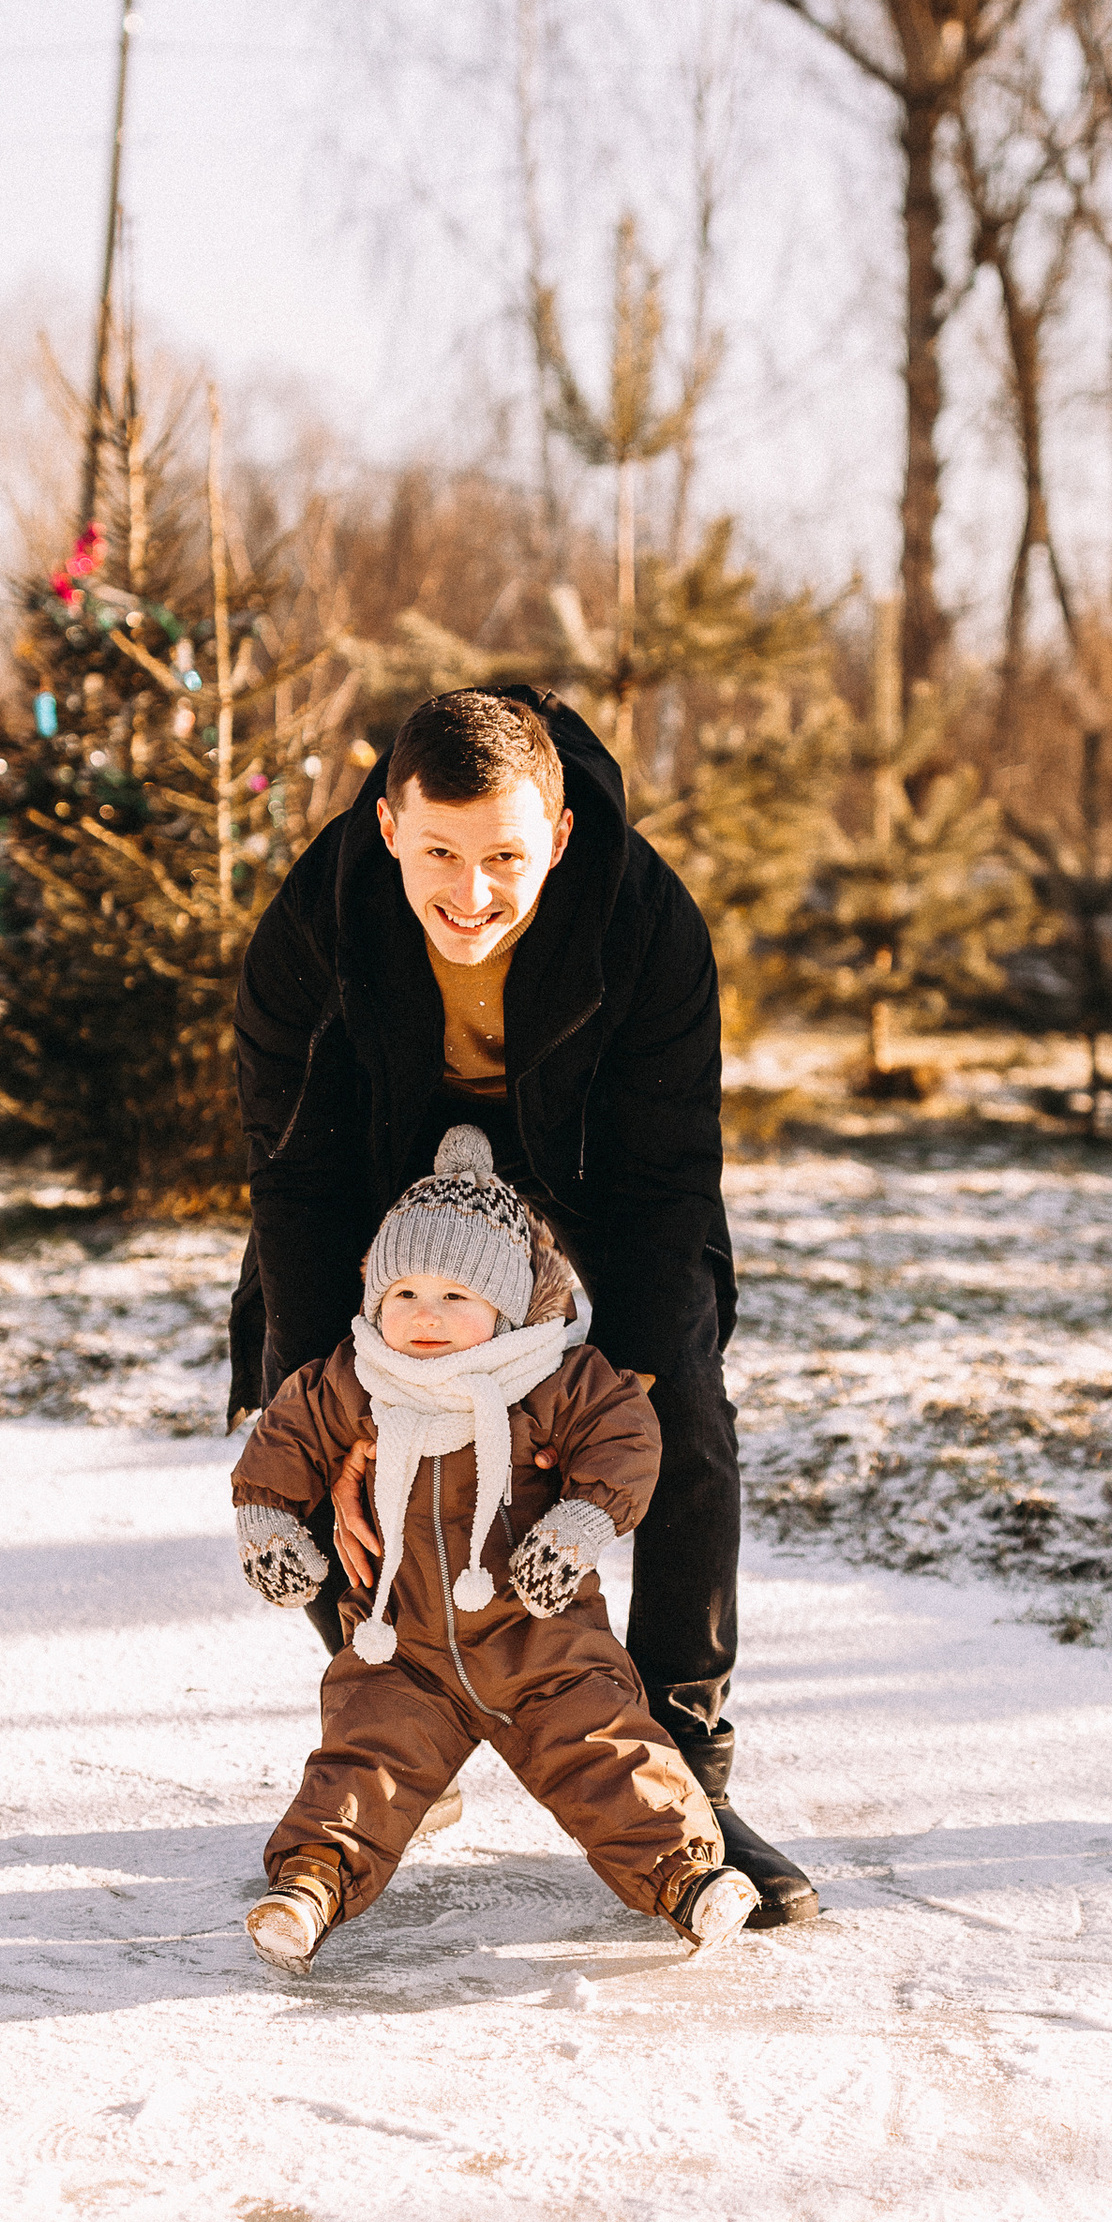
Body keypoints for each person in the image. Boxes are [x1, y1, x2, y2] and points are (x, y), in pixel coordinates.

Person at [229, 682, 818, 1922]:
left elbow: (666, 1179)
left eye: (505, 856)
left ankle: (687, 1771)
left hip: (601, 1167)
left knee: (686, 1416)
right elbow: (296, 1175)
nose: (472, 892)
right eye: (439, 852)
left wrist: (643, 1396)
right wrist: (341, 1407)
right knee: (312, 1406)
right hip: (383, 1162)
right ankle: (390, 1723)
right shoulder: (309, 930)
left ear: (555, 836)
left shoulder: (645, 921)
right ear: (388, 824)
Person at [231, 1124, 759, 1965]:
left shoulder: (551, 1376)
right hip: (399, 1649)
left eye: (455, 1297)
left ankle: (685, 1878)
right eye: (403, 1295)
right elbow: (285, 1439)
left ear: (507, 1305)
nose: (425, 1317)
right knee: (363, 1764)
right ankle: (310, 1885)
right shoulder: (353, 1376)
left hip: (543, 1645)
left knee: (607, 1755)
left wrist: (582, 1521)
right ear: (373, 1300)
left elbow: (623, 1436)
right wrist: (267, 1521)